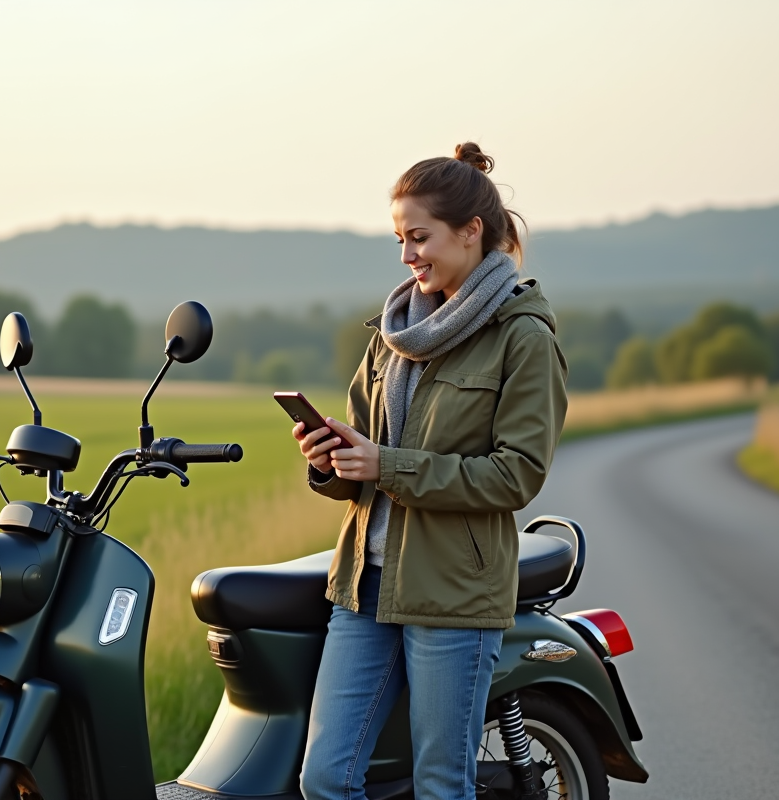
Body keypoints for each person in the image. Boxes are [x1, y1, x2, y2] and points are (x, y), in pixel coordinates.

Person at [294, 143, 568, 800]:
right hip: (365, 587)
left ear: (471, 232)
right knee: (326, 779)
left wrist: (386, 465)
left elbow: (516, 475)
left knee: (442, 787)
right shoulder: (393, 333)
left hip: (455, 594)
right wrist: (331, 462)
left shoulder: (522, 335)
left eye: (419, 237)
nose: (406, 254)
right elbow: (366, 457)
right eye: (399, 238)